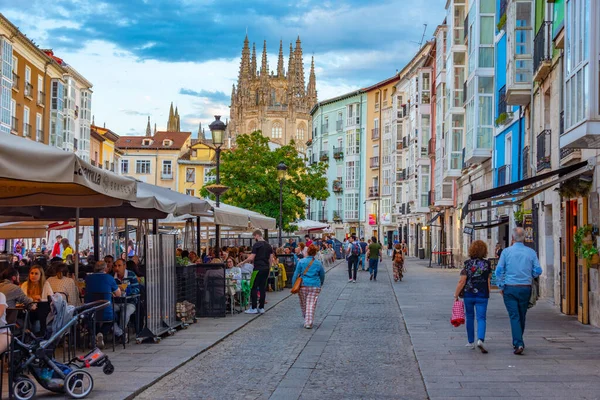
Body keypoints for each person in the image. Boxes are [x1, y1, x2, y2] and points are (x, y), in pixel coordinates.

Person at [495, 227, 542, 355]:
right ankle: (518, 340)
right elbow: (538, 270)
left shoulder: (506, 252)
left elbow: (498, 270)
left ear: (512, 238)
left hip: (510, 287)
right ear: (524, 238)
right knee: (522, 315)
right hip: (525, 287)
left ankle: (518, 343)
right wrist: (530, 275)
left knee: (514, 316)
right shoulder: (531, 252)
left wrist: (500, 285)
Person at [454, 240, 492, 354]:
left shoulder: (467, 264)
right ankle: (480, 339)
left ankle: (470, 342)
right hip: (482, 294)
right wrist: (488, 292)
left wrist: (456, 294)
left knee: (470, 317)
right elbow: (488, 280)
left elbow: (462, 281)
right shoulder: (487, 264)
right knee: (481, 318)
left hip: (469, 294)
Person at [85, 261, 121, 349]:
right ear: (105, 269)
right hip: (106, 312)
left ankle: (94, 335)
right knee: (115, 317)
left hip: (91, 311)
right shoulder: (109, 278)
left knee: (93, 318)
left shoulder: (88, 278)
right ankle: (101, 333)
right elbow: (118, 294)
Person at [239, 230, 274, 314]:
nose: (254, 238)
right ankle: (261, 307)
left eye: (254, 236)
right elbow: (271, 259)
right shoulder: (269, 246)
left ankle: (253, 307)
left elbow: (251, 257)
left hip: (258, 268)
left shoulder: (256, 244)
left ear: (257, 235)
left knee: (253, 286)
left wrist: (242, 262)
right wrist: (269, 269)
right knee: (262, 288)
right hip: (266, 268)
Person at [292, 244, 325, 329]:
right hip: (315, 285)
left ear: (307, 252)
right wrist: (321, 283)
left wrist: (293, 285)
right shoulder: (318, 263)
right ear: (315, 253)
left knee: (303, 303)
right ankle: (308, 321)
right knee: (311, 303)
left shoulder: (301, 261)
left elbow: (296, 273)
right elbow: (322, 275)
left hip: (303, 285)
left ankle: (307, 319)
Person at [113, 259, 140, 342]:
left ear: (125, 266)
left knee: (125, 313)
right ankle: (120, 333)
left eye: (119, 265)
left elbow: (137, 289)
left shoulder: (131, 275)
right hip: (116, 302)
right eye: (115, 266)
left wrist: (127, 291)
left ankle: (120, 334)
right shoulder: (112, 276)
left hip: (129, 302)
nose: (117, 268)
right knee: (107, 312)